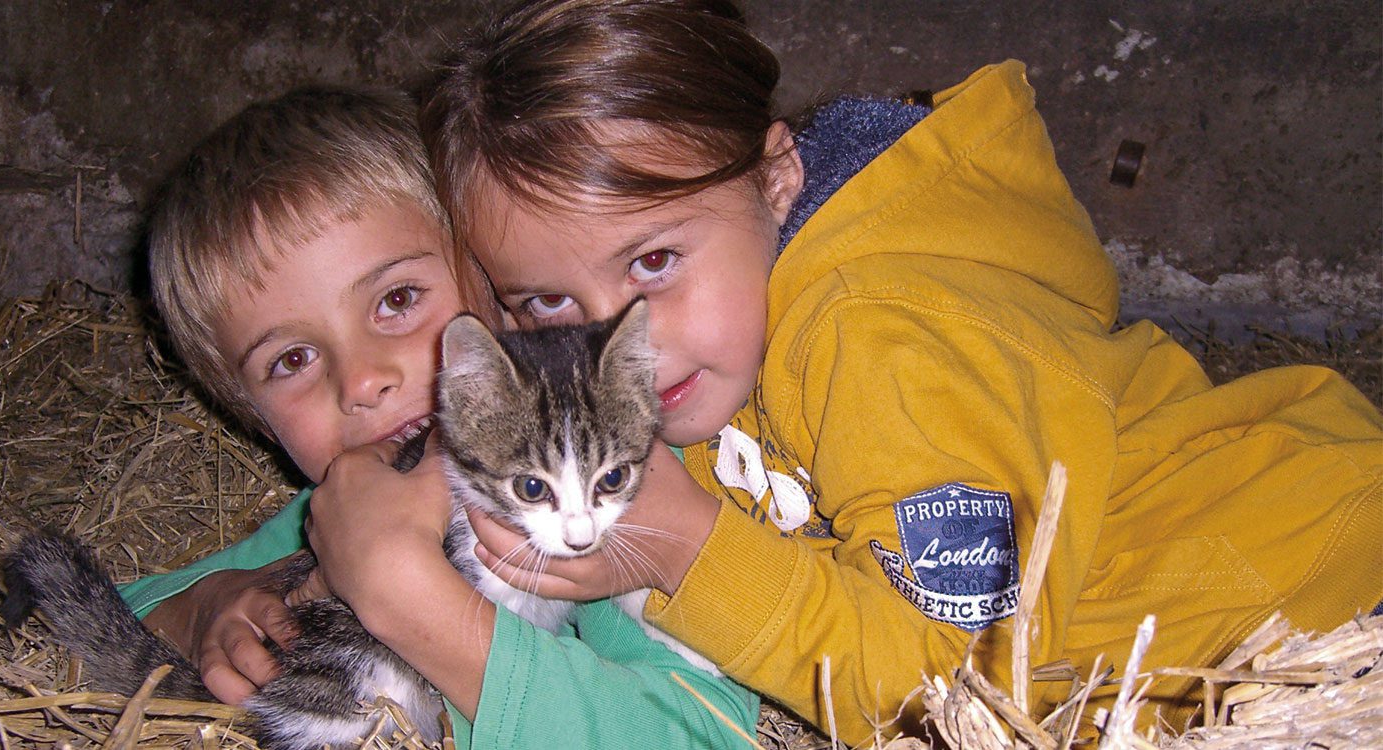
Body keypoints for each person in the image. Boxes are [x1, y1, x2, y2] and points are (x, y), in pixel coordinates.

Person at [412, 0, 1383, 741]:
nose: (623, 338)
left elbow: (960, 685)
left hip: (1318, 595)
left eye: (653, 261)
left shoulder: (888, 337)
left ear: (775, 177)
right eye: (546, 303)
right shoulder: (707, 340)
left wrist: (691, 549)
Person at [119, 84, 760, 749]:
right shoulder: (353, 497)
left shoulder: (611, 465)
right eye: (292, 359)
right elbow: (135, 598)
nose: (364, 381)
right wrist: (208, 606)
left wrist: (406, 595)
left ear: (489, 273)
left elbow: (698, 731)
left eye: (398, 299)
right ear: (249, 416)